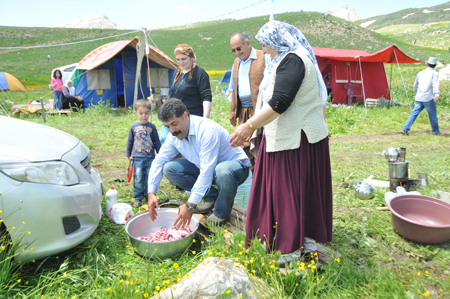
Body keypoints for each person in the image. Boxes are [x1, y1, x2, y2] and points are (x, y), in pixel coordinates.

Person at [230, 21, 333, 265]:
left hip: (296, 139)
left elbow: (280, 102)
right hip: (286, 137)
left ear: (277, 41)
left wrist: (248, 126)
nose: (263, 49)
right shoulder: (285, 60)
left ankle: (291, 247)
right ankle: (299, 237)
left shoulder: (293, 60)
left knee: (289, 191)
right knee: (294, 190)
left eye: (265, 43)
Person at [147, 99, 250, 227]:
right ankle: (211, 197)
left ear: (185, 115)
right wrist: (151, 192)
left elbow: (207, 170)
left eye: (174, 124)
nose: (172, 130)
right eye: (167, 126)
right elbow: (159, 161)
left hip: (235, 167)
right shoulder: (173, 136)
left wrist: (190, 206)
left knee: (223, 171)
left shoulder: (207, 130)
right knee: (169, 168)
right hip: (208, 169)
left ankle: (221, 212)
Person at [229, 31, 267, 169]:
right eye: (233, 50)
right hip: (243, 110)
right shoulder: (236, 62)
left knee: (259, 144)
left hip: (259, 109)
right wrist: (233, 110)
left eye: (238, 48)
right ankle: (252, 182)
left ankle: (263, 182)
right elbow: (234, 88)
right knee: (244, 145)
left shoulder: (263, 57)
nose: (237, 53)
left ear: (248, 43)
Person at [126, 99, 162, 207]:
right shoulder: (133, 127)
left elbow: (157, 142)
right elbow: (130, 141)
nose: (143, 115)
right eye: (141, 113)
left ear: (150, 112)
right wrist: (128, 154)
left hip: (150, 157)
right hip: (137, 158)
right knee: (138, 177)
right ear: (136, 113)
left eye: (146, 113)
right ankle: (138, 197)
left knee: (149, 177)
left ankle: (149, 196)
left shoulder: (152, 127)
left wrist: (160, 155)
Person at [401, 57, 446, 136]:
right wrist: (437, 94)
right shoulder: (434, 73)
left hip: (419, 97)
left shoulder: (420, 73)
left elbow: (415, 85)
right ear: (435, 65)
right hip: (428, 98)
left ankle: (405, 129)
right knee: (433, 116)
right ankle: (436, 132)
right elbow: (435, 84)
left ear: (427, 64)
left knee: (414, 113)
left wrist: (418, 92)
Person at [170, 44, 212, 118]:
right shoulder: (177, 72)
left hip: (194, 117)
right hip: (177, 117)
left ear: (191, 57)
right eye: (178, 59)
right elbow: (173, 95)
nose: (181, 62)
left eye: (183, 59)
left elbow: (206, 97)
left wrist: (205, 120)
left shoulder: (199, 73)